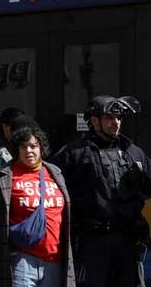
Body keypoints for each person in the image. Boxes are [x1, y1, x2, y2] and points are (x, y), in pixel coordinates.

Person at [50, 95, 150, 287]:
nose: (116, 123)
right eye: (109, 118)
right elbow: (51, 191)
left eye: (119, 118)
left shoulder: (133, 152)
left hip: (128, 241)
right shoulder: (74, 153)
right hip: (91, 243)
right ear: (94, 121)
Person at [0, 126, 75, 287]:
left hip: (55, 259)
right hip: (21, 260)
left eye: (34, 146)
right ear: (16, 150)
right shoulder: (3, 176)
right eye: (23, 146)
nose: (29, 150)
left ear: (42, 148)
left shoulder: (55, 173)